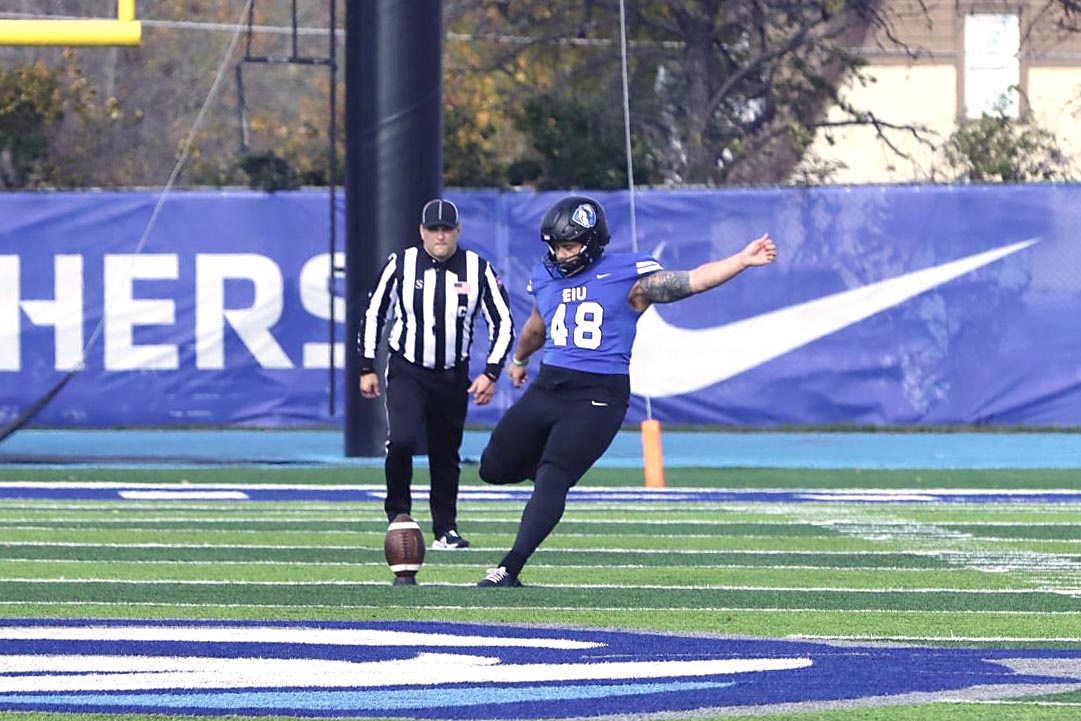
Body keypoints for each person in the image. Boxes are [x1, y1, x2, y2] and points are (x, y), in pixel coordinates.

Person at [476, 195, 776, 586]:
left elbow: (690, 281)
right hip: (549, 384)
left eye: (568, 245)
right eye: (555, 246)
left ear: (592, 242)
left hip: (597, 394)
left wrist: (740, 259)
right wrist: (518, 361)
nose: (560, 254)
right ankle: (552, 467)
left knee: (553, 477)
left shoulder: (627, 275)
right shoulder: (546, 276)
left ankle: (509, 567)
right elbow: (537, 325)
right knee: (492, 468)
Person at [359, 198, 514, 550]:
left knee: (446, 452)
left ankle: (446, 528)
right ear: (421, 232)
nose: (440, 236)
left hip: (451, 373)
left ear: (458, 231)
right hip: (408, 367)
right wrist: (366, 365)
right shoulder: (402, 264)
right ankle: (398, 514)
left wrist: (491, 372)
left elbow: (502, 322)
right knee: (401, 440)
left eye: (446, 229)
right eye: (433, 229)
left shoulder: (477, 269)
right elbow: (374, 313)